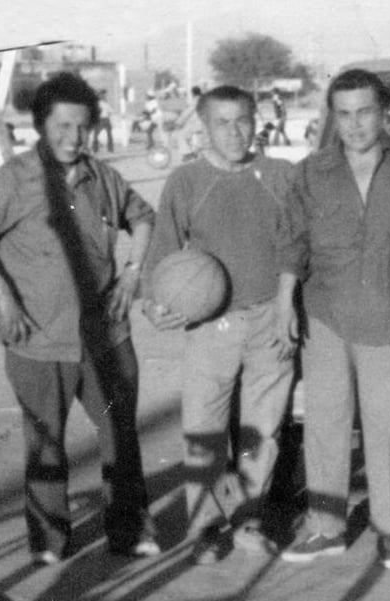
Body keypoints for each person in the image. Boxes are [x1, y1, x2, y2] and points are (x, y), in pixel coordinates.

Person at [0, 72, 159, 566]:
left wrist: (132, 274)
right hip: (38, 340)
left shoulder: (102, 176)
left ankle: (130, 531)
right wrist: (4, 297)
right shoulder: (12, 179)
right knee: (45, 446)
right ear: (41, 125)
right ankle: (49, 541)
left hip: (105, 339)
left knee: (120, 438)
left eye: (82, 127)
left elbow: (143, 216)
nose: (73, 137)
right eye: (62, 126)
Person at [277, 69, 390, 569]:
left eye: (365, 111)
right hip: (324, 309)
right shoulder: (310, 171)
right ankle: (325, 527)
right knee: (325, 422)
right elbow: (293, 239)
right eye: (343, 114)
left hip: (389, 309)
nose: (354, 124)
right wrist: (285, 297)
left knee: (387, 421)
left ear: (384, 110)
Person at [140, 85, 296, 564]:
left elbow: (297, 243)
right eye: (222, 122)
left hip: (270, 315)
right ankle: (207, 527)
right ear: (203, 127)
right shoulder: (186, 181)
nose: (234, 131)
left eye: (243, 120)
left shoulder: (282, 175)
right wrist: (155, 302)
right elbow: (163, 253)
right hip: (211, 324)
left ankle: (248, 519)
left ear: (258, 122)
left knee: (261, 430)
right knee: (204, 429)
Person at [174, 85, 204, 162]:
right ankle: (195, 154)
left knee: (181, 135)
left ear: (193, 93)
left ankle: (188, 154)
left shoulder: (195, 101)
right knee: (199, 140)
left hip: (197, 125)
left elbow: (187, 113)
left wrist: (179, 122)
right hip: (205, 125)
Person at [92, 89, 114, 153]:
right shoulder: (97, 103)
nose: (104, 96)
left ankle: (110, 148)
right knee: (96, 135)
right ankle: (95, 148)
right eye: (102, 95)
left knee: (109, 135)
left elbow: (111, 111)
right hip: (100, 119)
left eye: (104, 95)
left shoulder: (105, 103)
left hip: (105, 119)